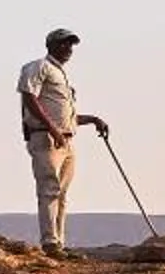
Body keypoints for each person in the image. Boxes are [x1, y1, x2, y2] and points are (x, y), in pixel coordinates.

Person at [16, 27, 107, 254]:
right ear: (50, 45)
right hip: (46, 138)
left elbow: (66, 115)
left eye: (70, 45)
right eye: (63, 44)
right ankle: (49, 242)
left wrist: (93, 120)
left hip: (66, 138)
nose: (68, 49)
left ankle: (58, 242)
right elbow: (29, 97)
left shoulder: (62, 76)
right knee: (49, 189)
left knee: (62, 194)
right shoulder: (38, 67)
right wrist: (52, 129)